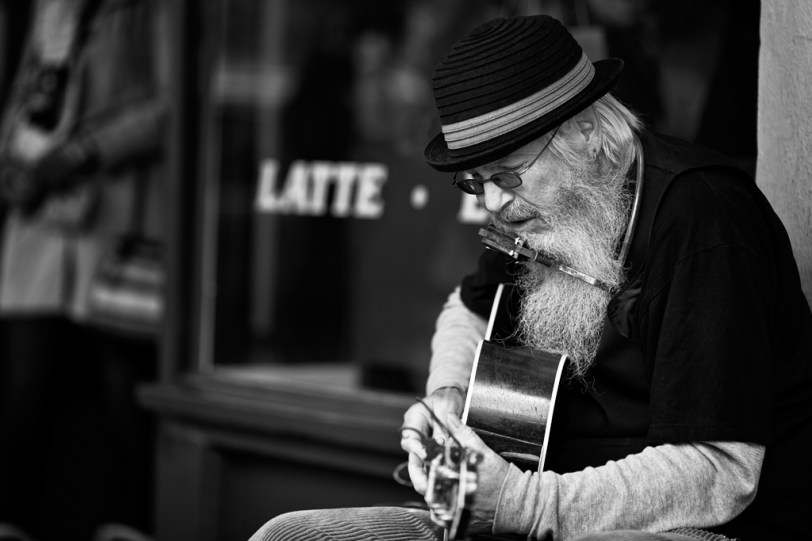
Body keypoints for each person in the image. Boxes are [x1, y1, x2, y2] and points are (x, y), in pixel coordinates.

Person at [249, 14, 812, 541]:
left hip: (681, 528)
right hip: (526, 510)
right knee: (289, 534)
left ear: (585, 131)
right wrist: (449, 395)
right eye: (474, 182)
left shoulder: (704, 218)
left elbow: (719, 470)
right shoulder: (535, 211)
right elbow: (467, 307)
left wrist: (523, 503)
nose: (492, 201)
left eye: (508, 174)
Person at [0, 0, 168, 540]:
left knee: (124, 389)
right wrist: (11, 162)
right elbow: (30, 92)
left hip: (115, 221)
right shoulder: (50, 8)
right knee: (23, 387)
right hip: (38, 221)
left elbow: (172, 107)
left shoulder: (153, 10)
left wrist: (84, 151)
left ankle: (128, 527)